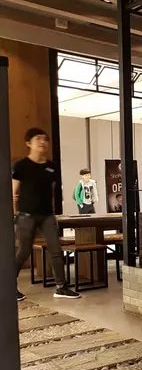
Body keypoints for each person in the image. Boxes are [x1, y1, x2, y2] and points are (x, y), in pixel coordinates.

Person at [13, 128, 80, 301]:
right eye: (38, 138)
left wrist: (53, 213)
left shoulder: (52, 167)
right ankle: (8, 285)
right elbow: (14, 192)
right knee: (24, 251)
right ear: (28, 143)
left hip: (47, 216)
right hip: (26, 215)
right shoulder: (21, 166)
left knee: (56, 250)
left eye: (45, 139)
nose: (43, 142)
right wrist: (15, 214)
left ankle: (61, 287)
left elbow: (52, 190)